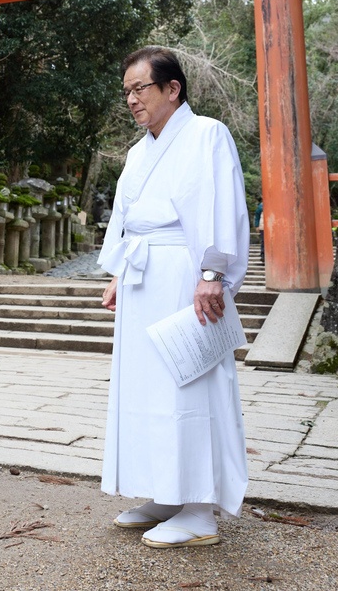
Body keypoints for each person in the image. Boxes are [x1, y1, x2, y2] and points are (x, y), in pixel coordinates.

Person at [99, 47, 249, 549]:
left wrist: (213, 270)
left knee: (190, 383)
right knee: (145, 387)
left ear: (172, 88)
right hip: (143, 276)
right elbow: (126, 214)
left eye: (140, 88)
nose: (132, 100)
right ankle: (166, 492)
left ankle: (199, 509)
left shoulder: (206, 134)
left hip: (186, 275)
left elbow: (220, 203)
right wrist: (119, 269)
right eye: (127, 92)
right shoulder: (139, 151)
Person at [254, 197, 264, 264]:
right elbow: (257, 216)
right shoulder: (261, 206)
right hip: (263, 226)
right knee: (263, 242)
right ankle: (263, 256)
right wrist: (257, 226)